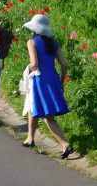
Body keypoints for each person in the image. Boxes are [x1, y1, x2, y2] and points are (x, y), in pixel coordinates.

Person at [22, 14, 73, 158]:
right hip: (53, 77)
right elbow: (64, 64)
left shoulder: (32, 42)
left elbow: (34, 64)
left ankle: (65, 144)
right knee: (34, 105)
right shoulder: (54, 43)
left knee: (48, 116)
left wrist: (27, 69)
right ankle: (30, 138)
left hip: (39, 79)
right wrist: (62, 82)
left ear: (34, 28)